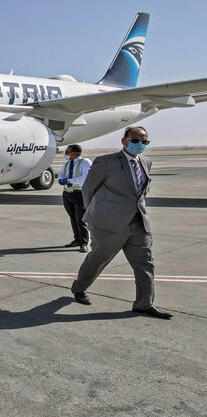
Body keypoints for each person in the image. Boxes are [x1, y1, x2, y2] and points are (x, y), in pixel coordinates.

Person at [71, 126, 173, 320]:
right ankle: (79, 288)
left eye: (144, 141)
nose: (140, 145)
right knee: (98, 259)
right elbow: (88, 190)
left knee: (145, 264)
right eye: (135, 141)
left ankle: (144, 304)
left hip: (138, 223)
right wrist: (97, 217)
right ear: (124, 141)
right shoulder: (106, 162)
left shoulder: (146, 162)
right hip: (109, 225)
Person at [58, 144, 92, 252]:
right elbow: (61, 174)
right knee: (73, 218)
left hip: (79, 194)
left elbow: (85, 178)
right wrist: (61, 179)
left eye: (68, 152)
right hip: (67, 194)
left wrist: (69, 181)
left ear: (74, 153)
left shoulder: (85, 162)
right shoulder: (67, 164)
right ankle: (77, 239)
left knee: (80, 219)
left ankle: (84, 242)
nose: (66, 154)